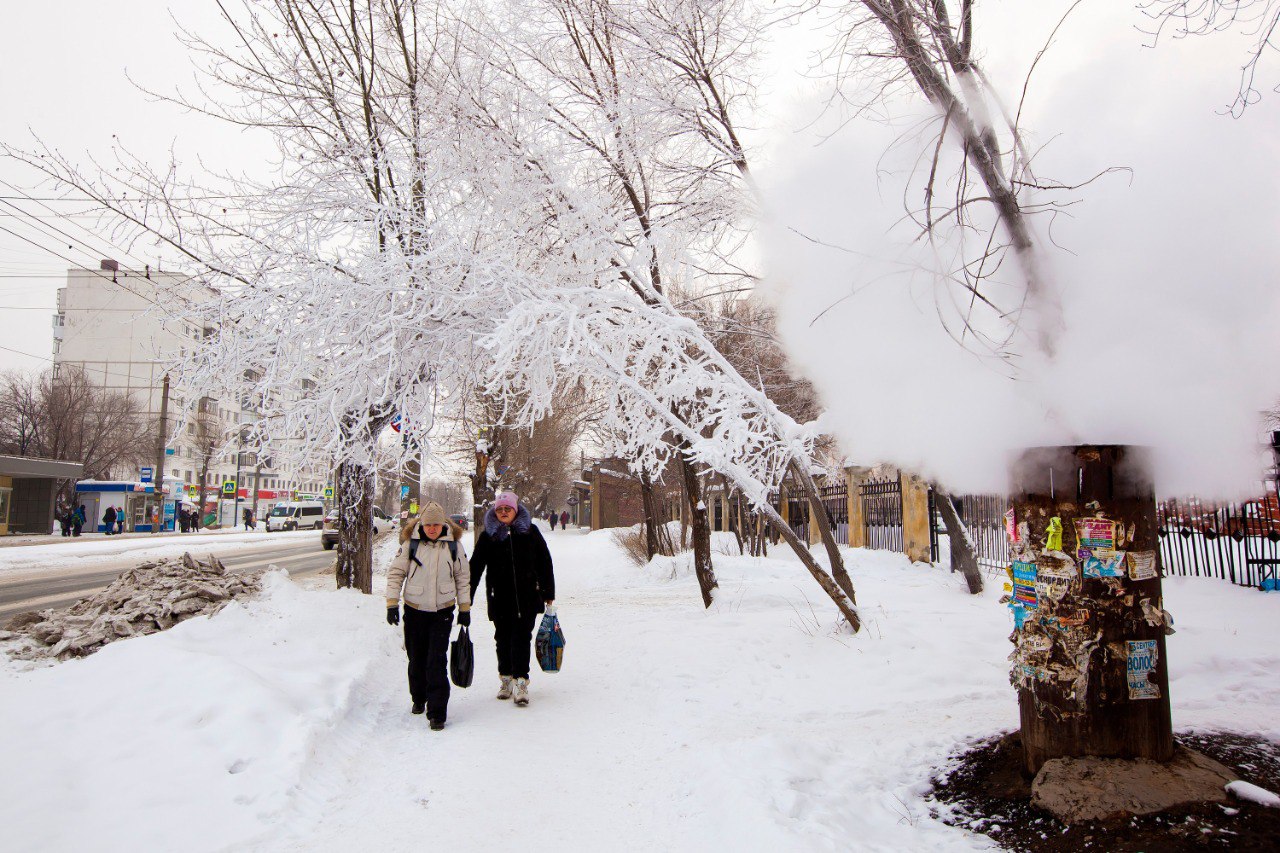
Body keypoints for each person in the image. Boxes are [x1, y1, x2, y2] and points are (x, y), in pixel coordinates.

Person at [385, 502, 471, 731]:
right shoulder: (410, 544)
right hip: (414, 609)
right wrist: (392, 603)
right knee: (417, 659)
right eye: (428, 524)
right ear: (422, 524)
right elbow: (396, 574)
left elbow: (463, 578)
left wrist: (464, 608)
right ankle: (419, 696)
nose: (432, 529)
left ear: (443, 524)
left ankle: (437, 712)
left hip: (442, 610)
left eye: (436, 524)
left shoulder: (454, 546)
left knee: (436, 660)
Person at [469, 491, 555, 707]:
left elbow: (545, 562)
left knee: (522, 638)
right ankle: (506, 678)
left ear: (515, 510)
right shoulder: (488, 536)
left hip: (527, 596)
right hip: (499, 598)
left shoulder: (530, 532)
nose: (504, 512)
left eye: (507, 509)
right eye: (500, 509)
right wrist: (466, 595)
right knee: (502, 639)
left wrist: (548, 593)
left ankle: (521, 682)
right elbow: (476, 567)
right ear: (495, 512)